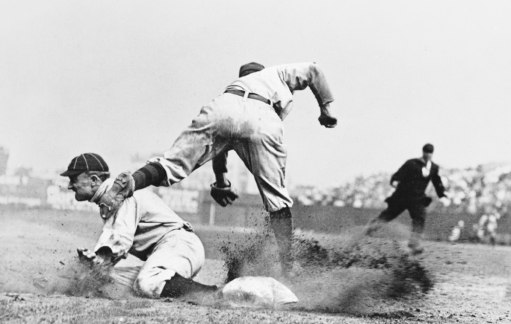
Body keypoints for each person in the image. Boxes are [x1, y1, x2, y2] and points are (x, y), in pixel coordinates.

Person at [97, 62, 338, 276]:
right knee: (278, 200)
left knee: (171, 164)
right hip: (262, 116)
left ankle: (133, 181)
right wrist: (326, 110)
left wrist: (221, 182)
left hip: (221, 109)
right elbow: (314, 70)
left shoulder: (235, 87)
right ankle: (287, 267)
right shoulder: (276, 74)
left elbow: (219, 147)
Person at [61, 153, 215, 299]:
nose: (70, 185)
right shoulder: (110, 197)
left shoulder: (119, 194)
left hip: (179, 245)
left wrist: (97, 261)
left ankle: (217, 294)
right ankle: (179, 284)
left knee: (146, 283)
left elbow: (118, 241)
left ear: (94, 180)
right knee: (104, 283)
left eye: (73, 179)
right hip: (171, 251)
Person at [365, 143, 447, 254]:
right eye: (426, 152)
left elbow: (437, 181)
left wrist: (442, 194)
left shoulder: (433, 167)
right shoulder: (411, 163)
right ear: (423, 152)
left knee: (420, 217)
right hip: (403, 196)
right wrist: (394, 181)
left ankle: (414, 242)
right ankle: (371, 228)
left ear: (432, 154)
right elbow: (398, 174)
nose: (428, 154)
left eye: (430, 153)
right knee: (389, 214)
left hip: (417, 198)